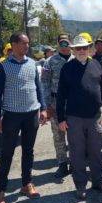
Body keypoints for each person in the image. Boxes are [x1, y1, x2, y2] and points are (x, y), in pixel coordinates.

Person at [56, 34, 102, 200]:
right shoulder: (67, 68)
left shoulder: (96, 65)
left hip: (95, 115)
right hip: (74, 118)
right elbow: (61, 95)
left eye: (84, 48)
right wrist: (61, 118)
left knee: (96, 151)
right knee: (77, 153)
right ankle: (80, 185)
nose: (81, 51)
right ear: (74, 50)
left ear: (89, 49)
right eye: (78, 48)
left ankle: (98, 181)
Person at [0, 32, 47, 203]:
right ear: (14, 45)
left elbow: (38, 88)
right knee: (7, 152)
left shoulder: (32, 64)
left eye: (28, 44)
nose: (27, 47)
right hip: (11, 115)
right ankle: (1, 190)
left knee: (28, 150)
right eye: (24, 43)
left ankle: (26, 184)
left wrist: (43, 108)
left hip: (31, 113)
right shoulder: (4, 66)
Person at [41, 34, 74, 178]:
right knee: (58, 135)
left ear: (71, 42)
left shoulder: (77, 59)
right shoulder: (50, 61)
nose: (64, 45)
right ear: (58, 44)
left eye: (67, 41)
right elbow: (44, 84)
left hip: (74, 104)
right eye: (61, 42)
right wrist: (47, 105)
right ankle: (62, 164)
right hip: (55, 103)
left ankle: (74, 162)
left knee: (75, 135)